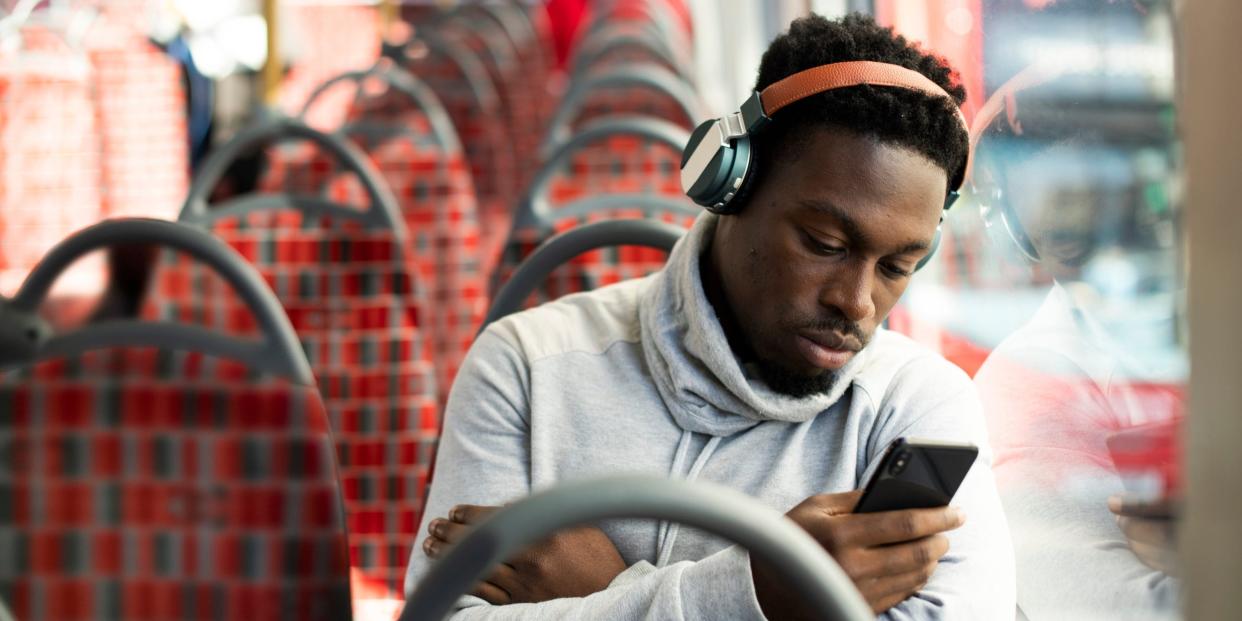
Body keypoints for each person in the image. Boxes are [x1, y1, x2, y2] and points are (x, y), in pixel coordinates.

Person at [406, 13, 1015, 620]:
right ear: (730, 185)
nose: (856, 304)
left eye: (895, 268)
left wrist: (618, 589)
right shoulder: (527, 367)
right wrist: (765, 597)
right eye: (825, 245)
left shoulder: (922, 409)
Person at [970, 64, 1183, 620]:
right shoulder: (1034, 379)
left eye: (1135, 225)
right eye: (1074, 243)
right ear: (1021, 238)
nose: (1119, 269)